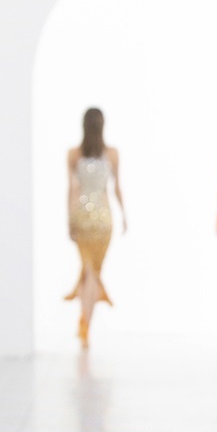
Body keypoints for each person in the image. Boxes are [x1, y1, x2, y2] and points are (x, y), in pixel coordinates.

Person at [64, 108, 126, 348]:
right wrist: (124, 214)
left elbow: (72, 190)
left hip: (82, 218)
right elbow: (116, 188)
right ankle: (86, 322)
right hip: (103, 220)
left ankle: (84, 321)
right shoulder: (112, 154)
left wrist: (70, 219)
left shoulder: (74, 154)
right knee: (92, 272)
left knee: (89, 270)